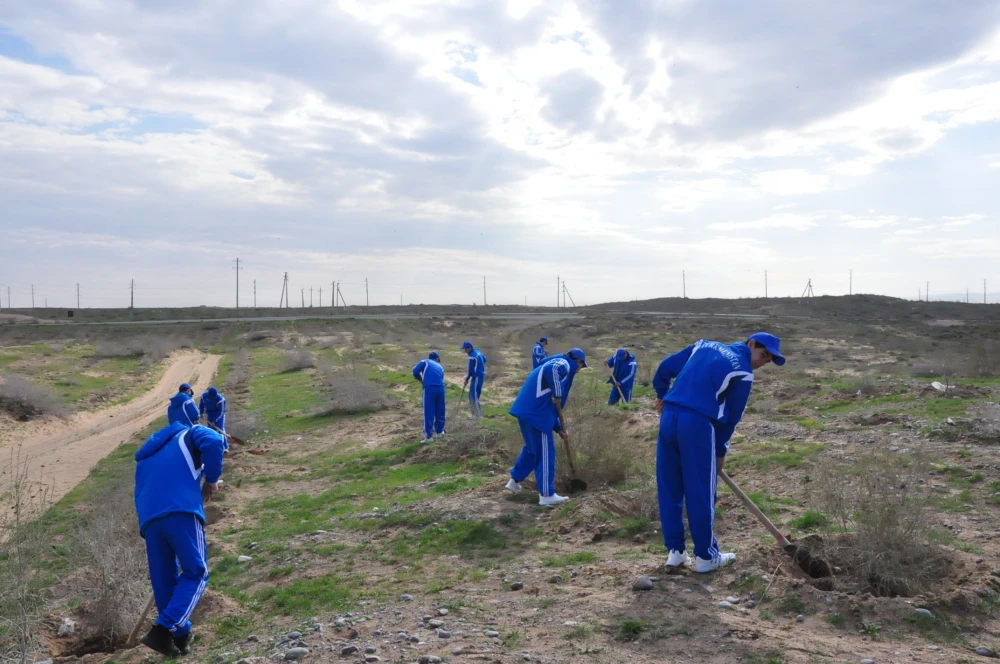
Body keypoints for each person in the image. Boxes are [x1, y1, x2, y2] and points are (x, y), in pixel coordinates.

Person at [652, 332, 785, 573]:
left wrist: (662, 396)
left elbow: (665, 367)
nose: (764, 361)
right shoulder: (743, 371)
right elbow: (732, 418)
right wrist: (720, 450)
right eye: (764, 355)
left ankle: (676, 553)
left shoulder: (702, 345)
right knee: (701, 492)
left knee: (669, 487)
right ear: (751, 344)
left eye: (769, 360)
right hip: (698, 425)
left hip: (669, 419)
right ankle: (706, 557)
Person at [133, 422, 226, 657]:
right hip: (181, 510)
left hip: (150, 521)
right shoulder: (190, 432)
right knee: (197, 572)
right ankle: (163, 629)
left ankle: (180, 635)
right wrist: (212, 478)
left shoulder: (145, 456)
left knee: (164, 580)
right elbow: (215, 440)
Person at [507, 348, 588, 507]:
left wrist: (558, 429)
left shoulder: (554, 362)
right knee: (545, 453)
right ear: (578, 361)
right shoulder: (563, 363)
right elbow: (554, 370)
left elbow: (550, 406)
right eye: (581, 367)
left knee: (532, 450)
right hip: (537, 415)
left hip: (528, 412)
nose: (579, 371)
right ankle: (547, 495)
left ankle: (514, 481)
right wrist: (558, 394)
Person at [413, 351, 446, 443]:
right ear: (438, 359)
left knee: (428, 411)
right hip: (441, 388)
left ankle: (429, 437)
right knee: (440, 410)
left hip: (429, 388)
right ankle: (440, 432)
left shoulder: (425, 361)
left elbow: (415, 371)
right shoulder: (440, 367)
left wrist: (422, 380)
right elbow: (441, 377)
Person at [461, 341, 487, 418]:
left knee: (473, 396)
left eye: (465, 349)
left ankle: (477, 415)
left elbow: (470, 370)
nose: (465, 351)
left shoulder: (472, 356)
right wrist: (480, 366)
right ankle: (477, 413)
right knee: (475, 395)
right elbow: (485, 359)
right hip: (480, 376)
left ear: (470, 348)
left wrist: (466, 379)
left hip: (477, 377)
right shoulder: (478, 352)